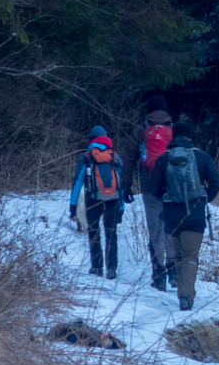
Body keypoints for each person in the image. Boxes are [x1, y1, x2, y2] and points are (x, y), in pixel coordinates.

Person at [147, 122, 219, 310]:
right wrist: (205, 200)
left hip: (172, 216)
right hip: (195, 215)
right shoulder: (201, 156)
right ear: (190, 137)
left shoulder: (164, 159)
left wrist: (166, 201)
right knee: (190, 255)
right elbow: (216, 181)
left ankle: (183, 293)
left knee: (179, 255)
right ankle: (186, 296)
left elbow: (153, 188)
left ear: (173, 137)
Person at [120, 96, 176, 290]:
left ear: (149, 112)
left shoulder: (140, 131)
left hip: (149, 185)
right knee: (171, 227)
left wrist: (125, 186)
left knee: (155, 230)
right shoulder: (175, 131)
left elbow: (128, 159)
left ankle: (158, 276)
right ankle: (174, 271)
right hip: (173, 188)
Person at [69, 128, 124, 279]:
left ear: (91, 139)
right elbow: (121, 184)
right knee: (111, 232)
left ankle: (97, 267)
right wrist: (121, 206)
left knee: (94, 231)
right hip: (113, 199)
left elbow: (78, 181)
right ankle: (112, 268)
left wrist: (73, 205)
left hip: (92, 199)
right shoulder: (114, 156)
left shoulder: (86, 156)